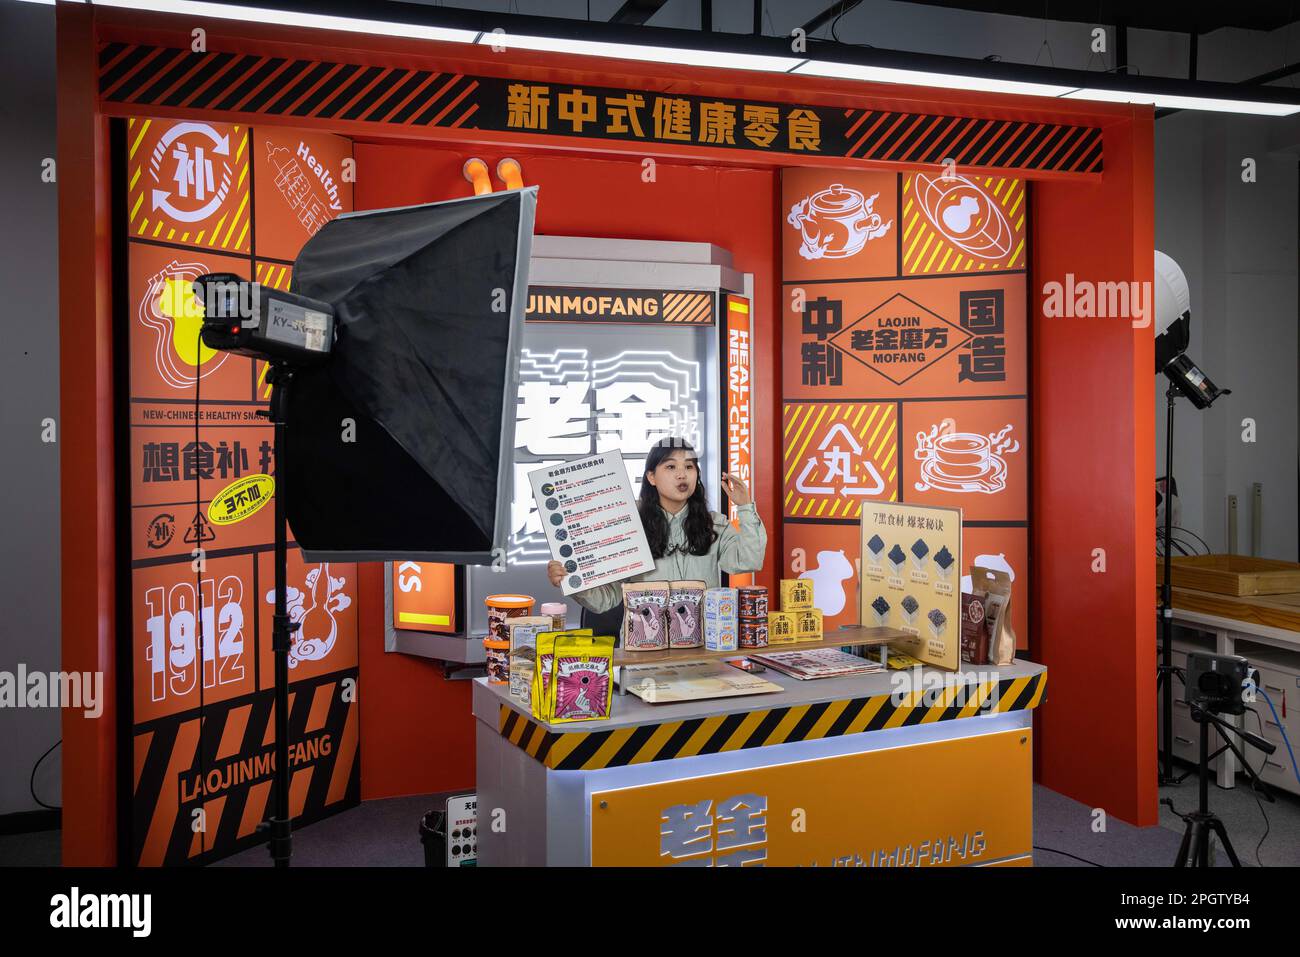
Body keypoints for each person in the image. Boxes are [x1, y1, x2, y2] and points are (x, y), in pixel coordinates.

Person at [547, 437, 767, 614]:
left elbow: (748, 560)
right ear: (651, 477)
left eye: (689, 467)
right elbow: (606, 599)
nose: (682, 474)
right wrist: (572, 580)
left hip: (703, 648)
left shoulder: (714, 524)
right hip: (645, 651)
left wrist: (745, 506)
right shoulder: (628, 524)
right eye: (671, 466)